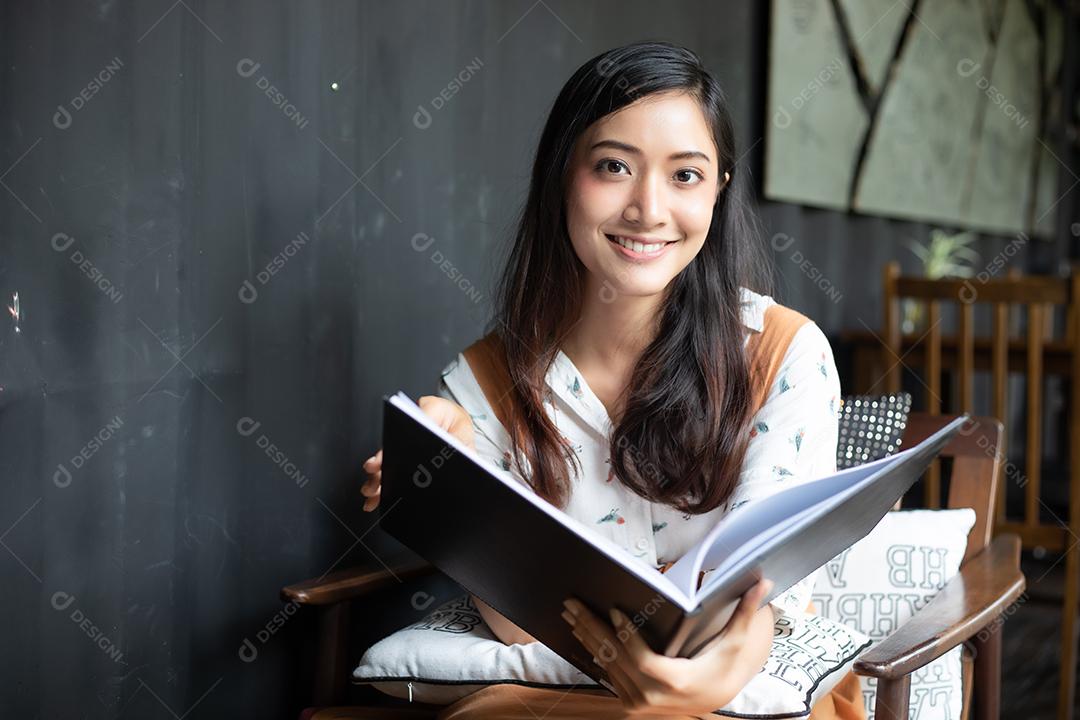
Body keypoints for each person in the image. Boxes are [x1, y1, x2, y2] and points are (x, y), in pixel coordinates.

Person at [362, 41, 862, 720]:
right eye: (613, 166)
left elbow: (758, 593)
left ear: (719, 187)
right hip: (545, 701)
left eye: (685, 175)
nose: (648, 209)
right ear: (561, 177)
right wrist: (453, 475)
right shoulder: (486, 382)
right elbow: (514, 624)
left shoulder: (784, 354)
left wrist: (707, 687)